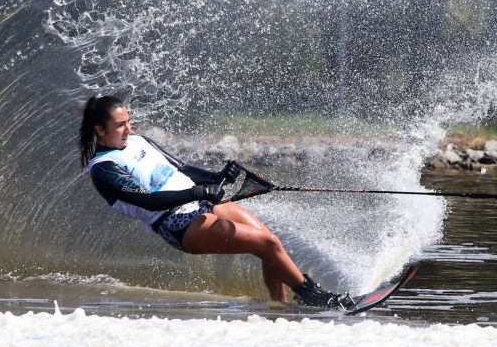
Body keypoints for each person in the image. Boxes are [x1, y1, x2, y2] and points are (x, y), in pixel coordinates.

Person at [79, 95, 354, 309]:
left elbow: (183, 170)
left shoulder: (140, 141)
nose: (128, 129)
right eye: (120, 125)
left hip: (201, 204)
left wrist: (217, 176)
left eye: (129, 121)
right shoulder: (103, 168)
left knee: (269, 240)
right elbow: (148, 201)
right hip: (177, 223)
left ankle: (278, 308)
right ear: (100, 130)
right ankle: (315, 296)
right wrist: (197, 194)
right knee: (267, 244)